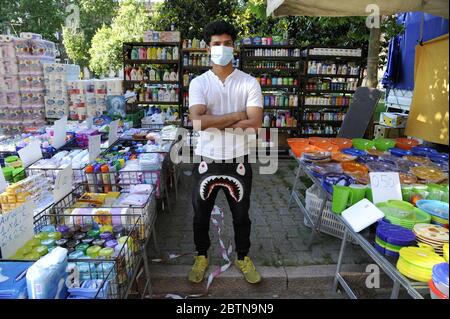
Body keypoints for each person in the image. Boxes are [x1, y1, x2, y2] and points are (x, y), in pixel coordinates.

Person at [188, 20, 263, 284]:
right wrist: (236, 115)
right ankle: (201, 256)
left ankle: (243, 257)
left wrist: (214, 120)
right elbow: (197, 122)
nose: (222, 48)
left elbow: (254, 124)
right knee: (200, 215)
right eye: (216, 44)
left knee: (241, 216)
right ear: (208, 48)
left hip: (238, 161)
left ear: (234, 47)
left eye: (227, 43)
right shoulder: (199, 83)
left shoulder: (249, 83)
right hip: (206, 160)